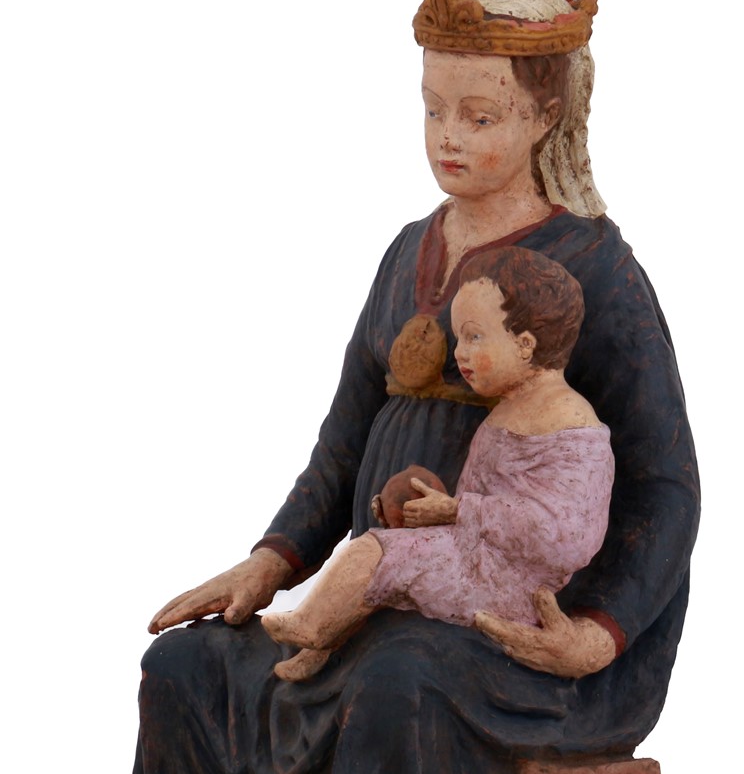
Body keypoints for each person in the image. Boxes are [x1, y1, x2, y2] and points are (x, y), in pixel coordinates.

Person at [110, 0, 701, 774]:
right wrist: (269, 562)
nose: (448, 137)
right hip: (381, 587)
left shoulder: (595, 269)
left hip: (515, 624)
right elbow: (342, 441)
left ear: (546, 114)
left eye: (480, 114)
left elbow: (666, 486)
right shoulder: (405, 253)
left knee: (397, 692)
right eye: (433, 108)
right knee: (188, 671)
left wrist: (599, 634)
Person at [261, 245, 614, 681]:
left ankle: (311, 626)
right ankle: (322, 645)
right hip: (478, 556)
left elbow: (570, 536)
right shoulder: (512, 406)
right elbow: (487, 492)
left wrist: (457, 511)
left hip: (509, 587)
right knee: (387, 561)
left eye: (474, 337)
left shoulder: (570, 426)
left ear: (525, 344)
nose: (459, 353)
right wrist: (433, 507)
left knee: (377, 554)